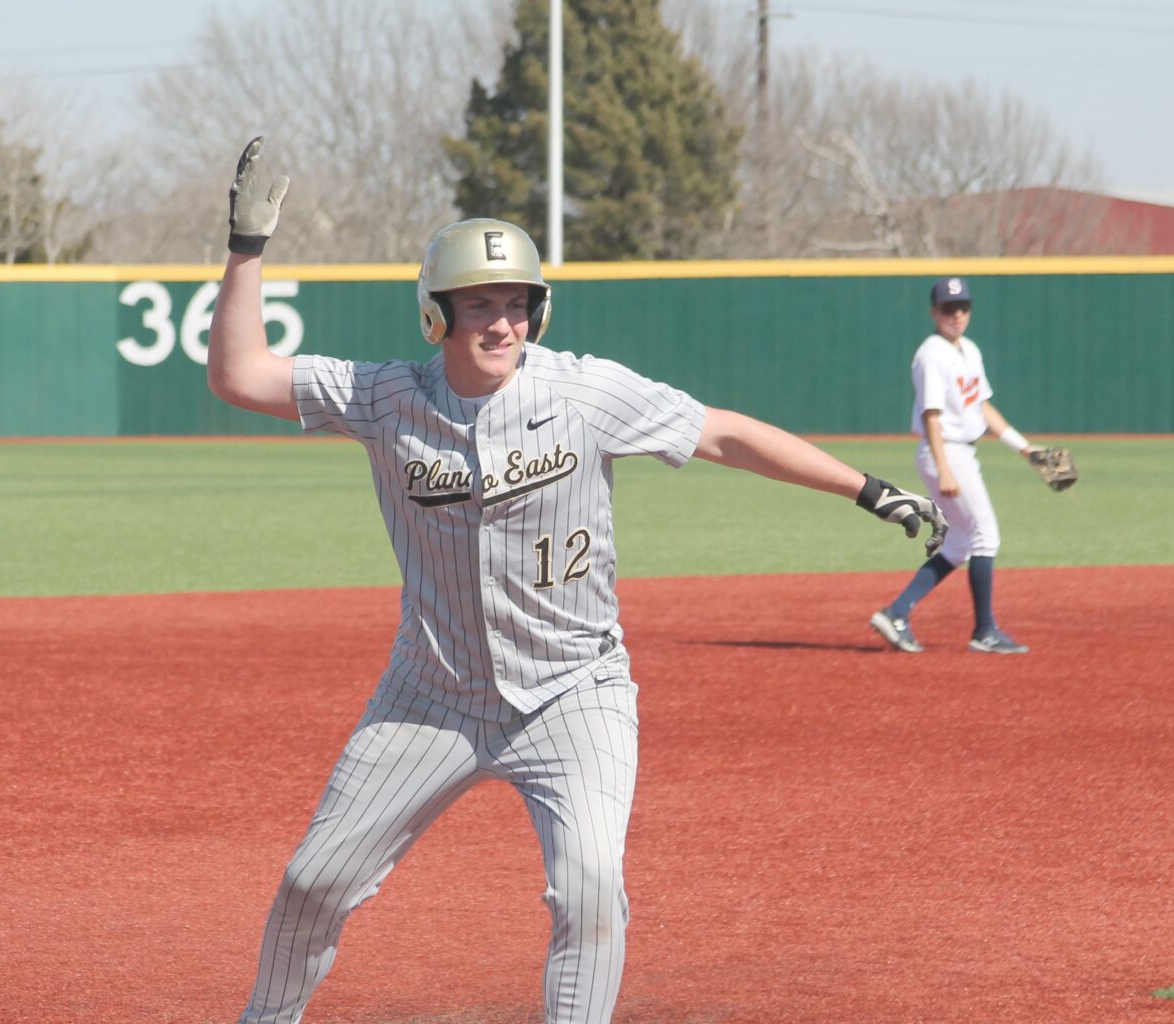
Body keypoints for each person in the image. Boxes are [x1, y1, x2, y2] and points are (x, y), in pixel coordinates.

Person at [209, 138, 948, 1024]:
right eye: (478, 303)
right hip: (430, 696)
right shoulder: (385, 397)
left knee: (591, 889)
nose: (502, 322)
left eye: (518, 304)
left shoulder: (587, 394)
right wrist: (246, 250)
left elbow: (722, 435)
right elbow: (240, 375)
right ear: (434, 315)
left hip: (575, 694)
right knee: (312, 880)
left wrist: (864, 488)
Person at [868, 276, 1037, 655]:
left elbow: (982, 407)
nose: (956, 315)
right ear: (934, 312)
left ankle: (896, 613)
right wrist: (943, 467)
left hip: (960, 452)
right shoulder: (931, 353)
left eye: (963, 307)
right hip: (946, 451)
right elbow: (931, 413)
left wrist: (1025, 449)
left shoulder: (969, 350)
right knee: (985, 535)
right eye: (948, 308)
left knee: (961, 543)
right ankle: (985, 631)